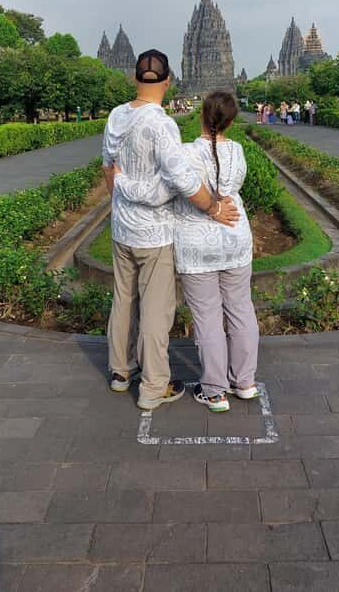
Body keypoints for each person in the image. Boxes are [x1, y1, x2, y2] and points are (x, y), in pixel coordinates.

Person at [102, 49, 240, 412]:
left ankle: (120, 371)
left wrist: (123, 197)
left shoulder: (116, 116)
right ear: (167, 81)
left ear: (134, 78)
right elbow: (183, 181)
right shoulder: (162, 124)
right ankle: (153, 387)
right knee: (156, 310)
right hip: (154, 234)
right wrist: (213, 207)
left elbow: (108, 171)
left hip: (121, 229)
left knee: (123, 299)